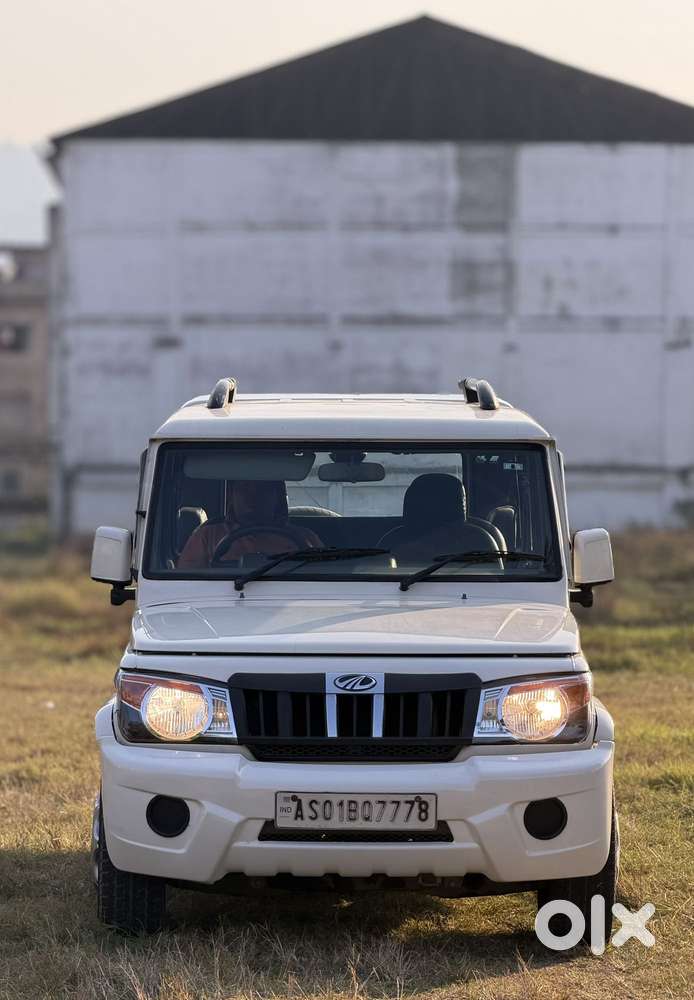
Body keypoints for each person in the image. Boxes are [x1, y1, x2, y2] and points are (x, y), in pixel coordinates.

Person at [177, 480, 322, 569]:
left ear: (278, 497)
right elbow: (184, 586)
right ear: (232, 496)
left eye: (263, 489)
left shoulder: (305, 539)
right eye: (244, 489)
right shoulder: (207, 536)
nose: (252, 497)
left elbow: (321, 584)